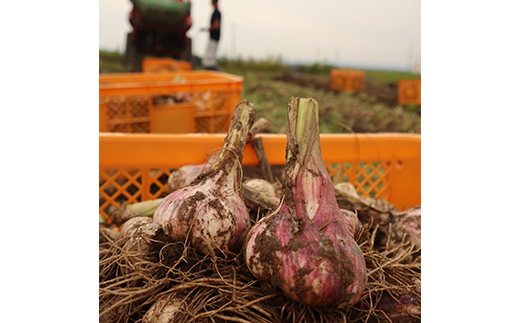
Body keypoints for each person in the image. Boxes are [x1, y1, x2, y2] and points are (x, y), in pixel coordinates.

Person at [201, 0, 221, 71]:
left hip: (214, 38)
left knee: (208, 62)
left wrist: (206, 29)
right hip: (214, 37)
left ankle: (218, 77)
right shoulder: (216, 11)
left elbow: (216, 25)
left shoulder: (216, 12)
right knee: (210, 61)